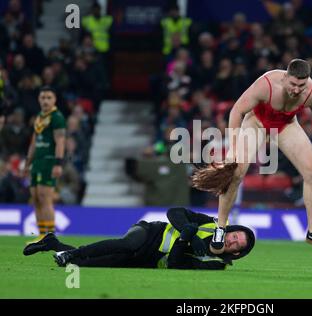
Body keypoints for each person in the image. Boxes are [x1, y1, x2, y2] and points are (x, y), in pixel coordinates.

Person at [192, 59, 312, 254]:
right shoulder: (266, 85)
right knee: (236, 172)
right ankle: (221, 228)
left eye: (301, 85)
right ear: (285, 77)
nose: (297, 90)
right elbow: (237, 111)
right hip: (256, 123)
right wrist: (233, 148)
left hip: (285, 125)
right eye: (293, 84)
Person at [23, 207, 255, 270]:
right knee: (127, 243)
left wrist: (185, 238)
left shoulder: (215, 264)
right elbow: (174, 211)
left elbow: (175, 264)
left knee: (88, 265)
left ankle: (53, 244)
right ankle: (70, 254)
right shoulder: (210, 224)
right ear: (230, 229)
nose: (232, 241)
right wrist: (187, 228)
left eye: (237, 245)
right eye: (235, 235)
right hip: (149, 232)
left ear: (236, 253)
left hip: (148, 261)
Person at [23, 86, 66, 245]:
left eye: (49, 97)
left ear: (54, 100)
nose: (45, 100)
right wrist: (27, 163)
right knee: (35, 197)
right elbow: (34, 142)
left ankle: (50, 236)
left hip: (49, 161)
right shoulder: (39, 117)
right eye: (43, 97)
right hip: (37, 162)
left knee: (45, 197)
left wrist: (58, 163)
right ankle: (42, 236)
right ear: (39, 99)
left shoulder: (57, 117)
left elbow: (60, 141)